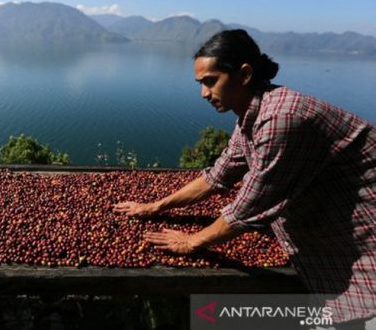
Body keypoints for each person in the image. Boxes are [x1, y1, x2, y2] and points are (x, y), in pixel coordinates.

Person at [114, 29, 375, 328]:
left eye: (211, 82)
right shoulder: (252, 115)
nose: (204, 94)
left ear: (245, 74)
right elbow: (217, 176)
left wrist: (191, 243)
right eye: (200, 84)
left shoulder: (281, 119)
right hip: (323, 235)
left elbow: (249, 208)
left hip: (362, 246)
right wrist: (155, 207)